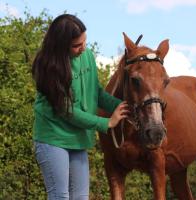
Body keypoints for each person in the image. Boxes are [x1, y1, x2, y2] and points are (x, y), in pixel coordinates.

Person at [32, 14, 128, 199]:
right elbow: (67, 112)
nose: (83, 48)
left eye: (84, 42)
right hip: (53, 138)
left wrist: (123, 106)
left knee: (80, 197)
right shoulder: (47, 68)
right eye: (77, 46)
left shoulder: (87, 56)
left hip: (78, 138)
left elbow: (96, 93)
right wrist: (107, 122)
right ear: (60, 46)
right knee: (60, 196)